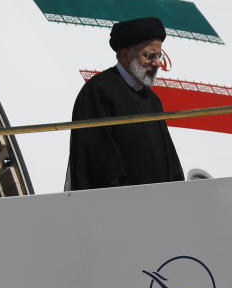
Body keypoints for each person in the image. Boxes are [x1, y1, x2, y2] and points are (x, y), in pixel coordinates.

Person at [66, 16, 184, 190]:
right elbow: (98, 163)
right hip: (120, 207)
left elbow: (168, 158)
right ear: (125, 54)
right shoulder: (99, 92)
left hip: (159, 204)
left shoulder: (152, 100)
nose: (157, 63)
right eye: (149, 55)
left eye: (158, 56)